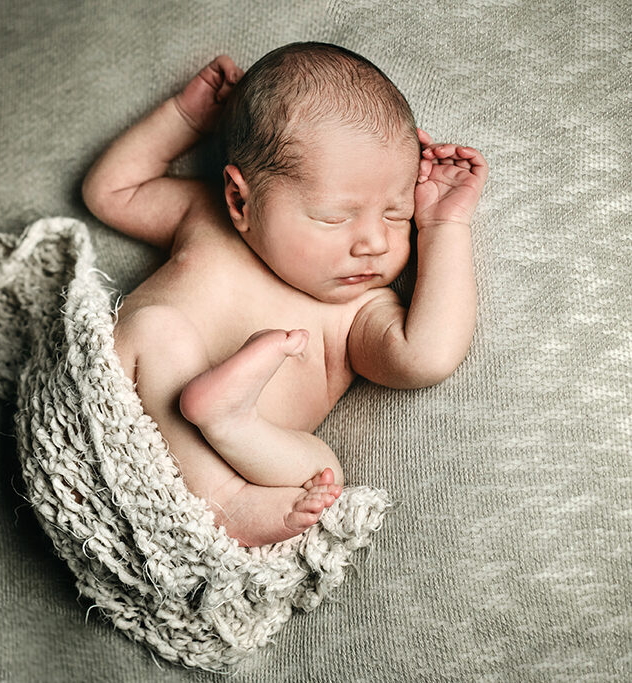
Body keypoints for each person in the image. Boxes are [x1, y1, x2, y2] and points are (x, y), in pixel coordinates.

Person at [81, 42, 487, 546]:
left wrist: (444, 224)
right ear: (239, 200)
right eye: (334, 217)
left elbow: (425, 357)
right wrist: (186, 118)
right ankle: (224, 493)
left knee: (323, 470)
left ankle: (230, 426)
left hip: (244, 483)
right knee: (156, 328)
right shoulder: (205, 217)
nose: (375, 243)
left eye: (395, 214)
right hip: (116, 430)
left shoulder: (356, 310)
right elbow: (111, 192)